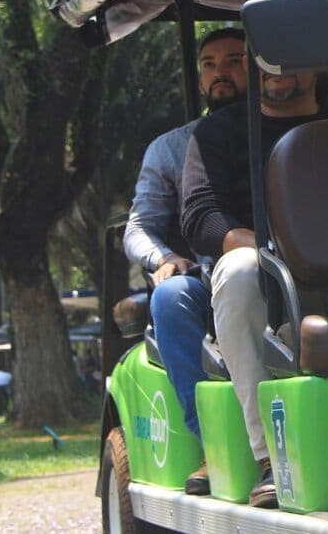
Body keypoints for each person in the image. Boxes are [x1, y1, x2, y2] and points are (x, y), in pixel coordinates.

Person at [180, 60, 328, 508]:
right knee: (235, 272)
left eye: (292, 53)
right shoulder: (217, 133)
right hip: (265, 283)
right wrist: (280, 252)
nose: (277, 67)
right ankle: (272, 458)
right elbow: (201, 217)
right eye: (264, 56)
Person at [125, 27, 246, 496]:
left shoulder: (282, 125)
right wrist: (165, 257)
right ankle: (212, 445)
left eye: (234, 60)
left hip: (284, 268)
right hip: (207, 277)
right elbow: (139, 226)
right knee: (171, 296)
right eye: (210, 64)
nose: (221, 73)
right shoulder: (171, 147)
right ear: (199, 80)